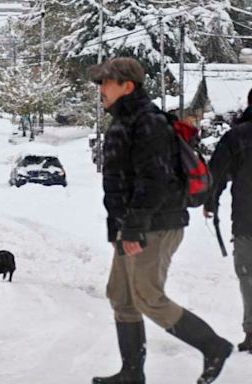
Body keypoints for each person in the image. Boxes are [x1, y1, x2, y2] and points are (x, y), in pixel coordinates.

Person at [88, 57, 232, 384]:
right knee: (121, 296)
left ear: (127, 85)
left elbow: (154, 179)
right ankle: (131, 373)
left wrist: (134, 227)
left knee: (147, 296)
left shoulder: (146, 123)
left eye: (105, 83)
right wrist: (123, 227)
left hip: (154, 225)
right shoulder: (126, 121)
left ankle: (213, 346)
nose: (101, 90)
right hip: (133, 225)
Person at [204, 88, 252, 353]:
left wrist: (210, 202)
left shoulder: (236, 136)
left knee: (248, 276)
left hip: (247, 219)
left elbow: (217, 172)